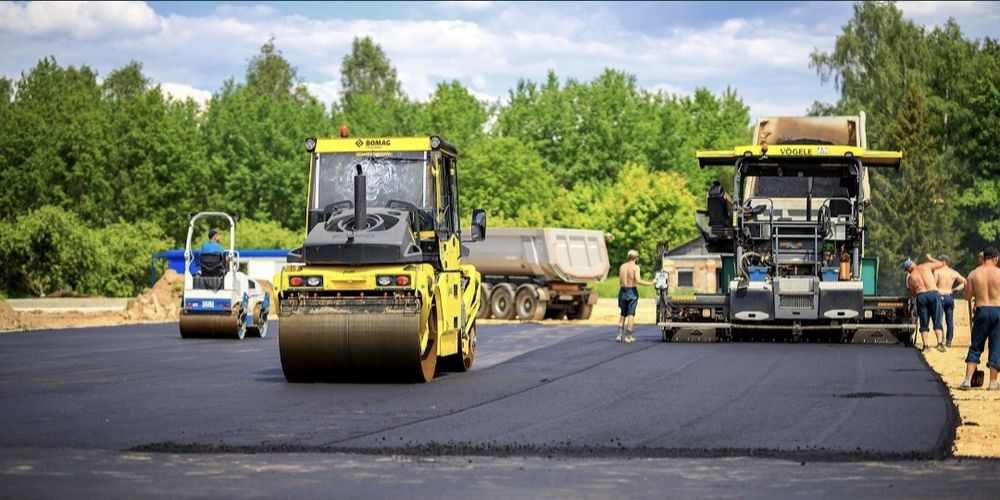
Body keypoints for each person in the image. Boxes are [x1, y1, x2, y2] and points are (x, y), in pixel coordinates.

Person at [959, 247, 1000, 390]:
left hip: (981, 311)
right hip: (998, 311)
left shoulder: (973, 274)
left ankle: (967, 380)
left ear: (984, 258)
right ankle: (993, 383)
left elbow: (967, 297)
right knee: (996, 346)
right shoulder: (999, 273)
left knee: (976, 345)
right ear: (995, 259)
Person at [904, 254, 947, 352]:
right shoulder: (926, 266)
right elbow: (942, 263)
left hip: (921, 296)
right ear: (913, 264)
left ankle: (926, 346)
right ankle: (940, 344)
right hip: (933, 294)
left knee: (924, 323)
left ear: (908, 269)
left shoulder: (910, 277)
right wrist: (931, 258)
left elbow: (913, 293)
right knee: (937, 321)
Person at [617, 250, 652, 344]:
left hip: (622, 291)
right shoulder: (636, 267)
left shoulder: (622, 267)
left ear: (628, 257)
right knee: (631, 313)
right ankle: (628, 335)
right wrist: (651, 283)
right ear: (636, 258)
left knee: (623, 313)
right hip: (632, 291)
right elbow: (638, 280)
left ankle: (619, 334)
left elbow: (620, 280)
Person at [933, 255, 967, 347]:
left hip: (940, 296)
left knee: (939, 319)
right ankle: (949, 341)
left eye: (939, 262)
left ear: (943, 262)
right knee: (950, 320)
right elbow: (965, 282)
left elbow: (933, 284)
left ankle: (941, 340)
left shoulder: (937, 271)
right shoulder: (953, 272)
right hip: (950, 296)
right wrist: (955, 290)